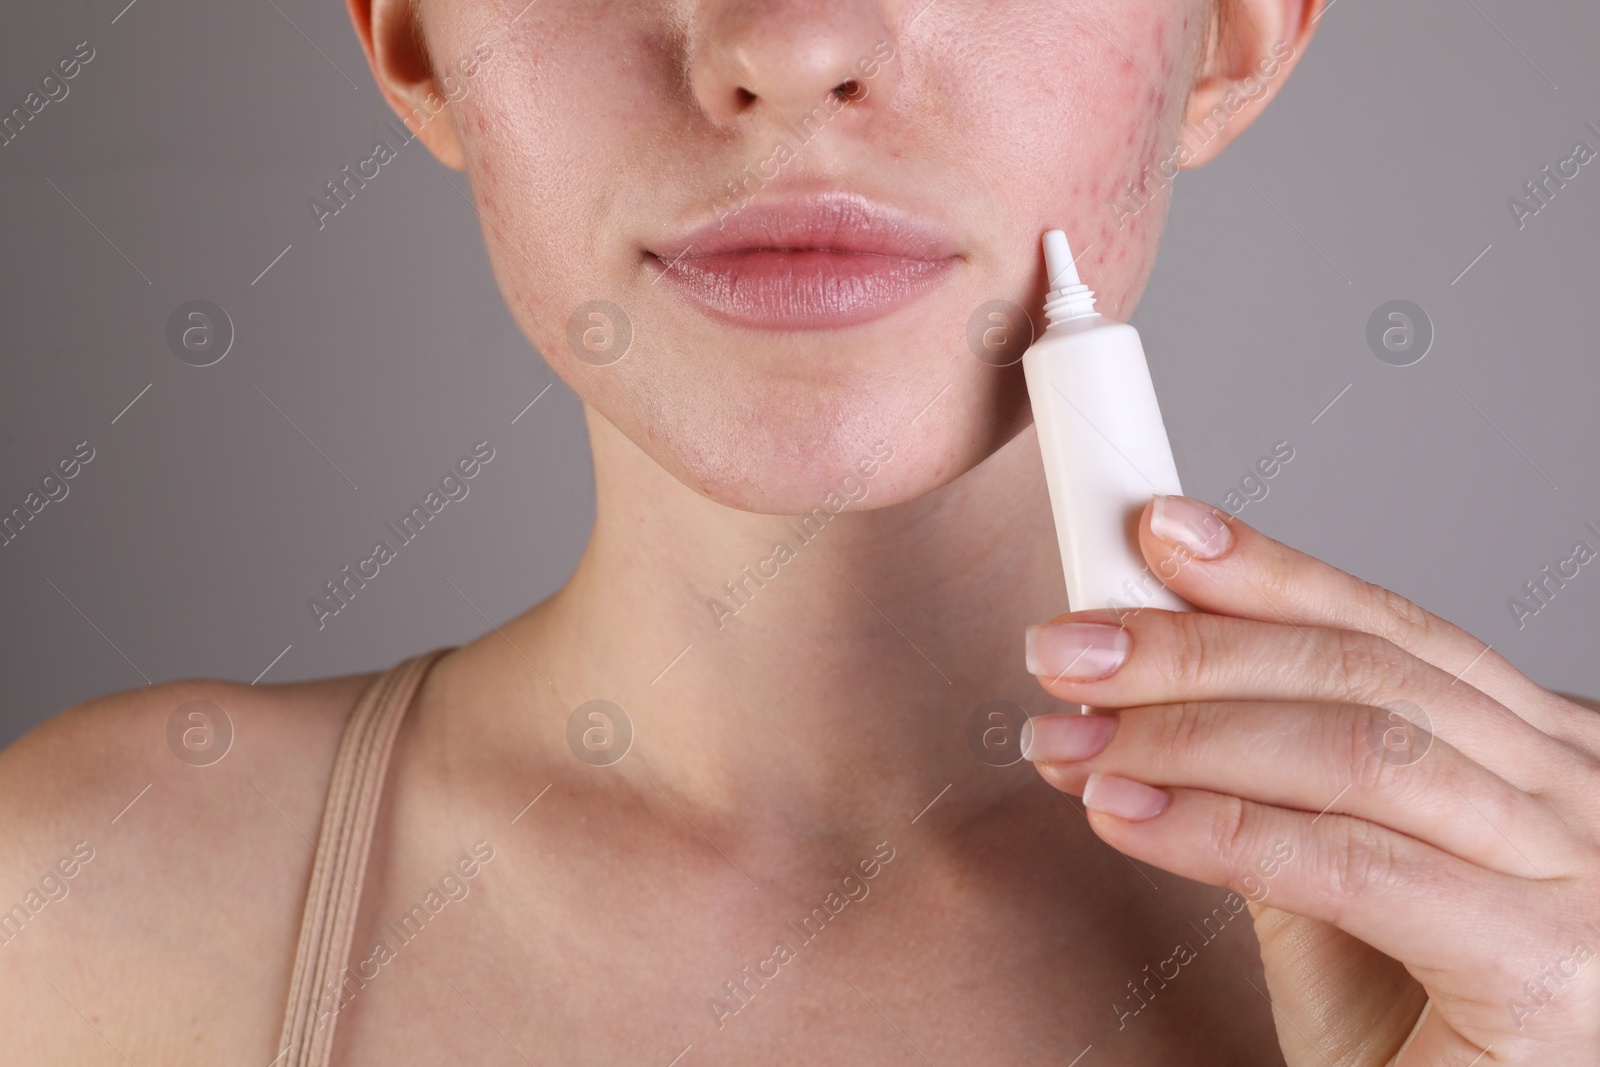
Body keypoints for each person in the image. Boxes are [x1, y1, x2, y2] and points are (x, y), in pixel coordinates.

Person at [4, 0, 1598, 1063]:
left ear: (1236, 35)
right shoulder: (74, 912)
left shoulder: (1555, 950)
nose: (792, 42)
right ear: (416, 41)